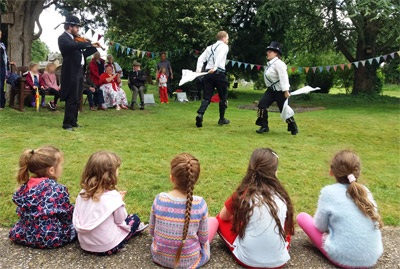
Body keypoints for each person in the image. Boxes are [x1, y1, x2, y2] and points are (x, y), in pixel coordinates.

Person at [297, 150, 383, 268]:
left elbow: (320, 226)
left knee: (302, 217)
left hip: (343, 258)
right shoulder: (365, 191)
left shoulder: (329, 192)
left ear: (331, 172)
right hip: (372, 256)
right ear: (359, 172)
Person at [217, 148, 294, 268]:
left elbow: (223, 216)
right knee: (284, 227)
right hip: (279, 261)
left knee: (218, 220)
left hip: (247, 260)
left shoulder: (243, 193)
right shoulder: (282, 196)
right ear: (275, 172)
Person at [149, 153, 219, 268]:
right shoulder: (199, 204)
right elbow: (203, 238)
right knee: (214, 221)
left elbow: (152, 231)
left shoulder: (159, 199)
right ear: (195, 180)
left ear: (171, 177)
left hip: (159, 257)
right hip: (190, 261)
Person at [73, 151, 148, 256]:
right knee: (134, 219)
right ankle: (131, 233)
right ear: (110, 175)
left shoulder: (82, 193)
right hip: (108, 247)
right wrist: (120, 202)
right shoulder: (113, 196)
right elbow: (120, 220)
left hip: (85, 244)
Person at [9, 146, 76, 248]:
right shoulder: (58, 189)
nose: (62, 167)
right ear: (51, 170)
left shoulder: (25, 186)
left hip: (24, 235)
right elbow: (66, 215)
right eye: (61, 165)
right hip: (50, 238)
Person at [58, 15, 100, 131]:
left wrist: (94, 47)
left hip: (79, 71)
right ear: (70, 26)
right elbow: (72, 46)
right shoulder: (63, 38)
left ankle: (74, 122)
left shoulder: (75, 40)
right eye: (77, 27)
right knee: (71, 98)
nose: (78, 30)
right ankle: (67, 124)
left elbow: (83, 54)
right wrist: (88, 43)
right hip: (70, 71)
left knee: (77, 98)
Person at [255, 41, 298, 135]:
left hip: (281, 90)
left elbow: (283, 77)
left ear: (276, 53)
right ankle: (264, 126)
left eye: (270, 51)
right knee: (262, 105)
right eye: (268, 51)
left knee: (284, 110)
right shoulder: (270, 64)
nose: (268, 53)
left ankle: (293, 126)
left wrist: (286, 91)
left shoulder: (279, 64)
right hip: (271, 90)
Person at [195, 31, 230, 127]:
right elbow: (220, 57)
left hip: (208, 74)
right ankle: (221, 119)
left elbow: (200, 59)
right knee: (223, 97)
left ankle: (200, 114)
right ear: (223, 38)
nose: (228, 41)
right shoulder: (224, 46)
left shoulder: (209, 48)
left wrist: (198, 70)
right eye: (227, 38)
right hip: (219, 73)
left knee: (207, 97)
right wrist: (215, 67)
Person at [0, 29, 15, 111]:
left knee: (1, 86)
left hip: (1, 68)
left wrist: (9, 63)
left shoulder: (2, 45)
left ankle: (1, 104)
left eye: (0, 34)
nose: (0, 36)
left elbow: (4, 58)